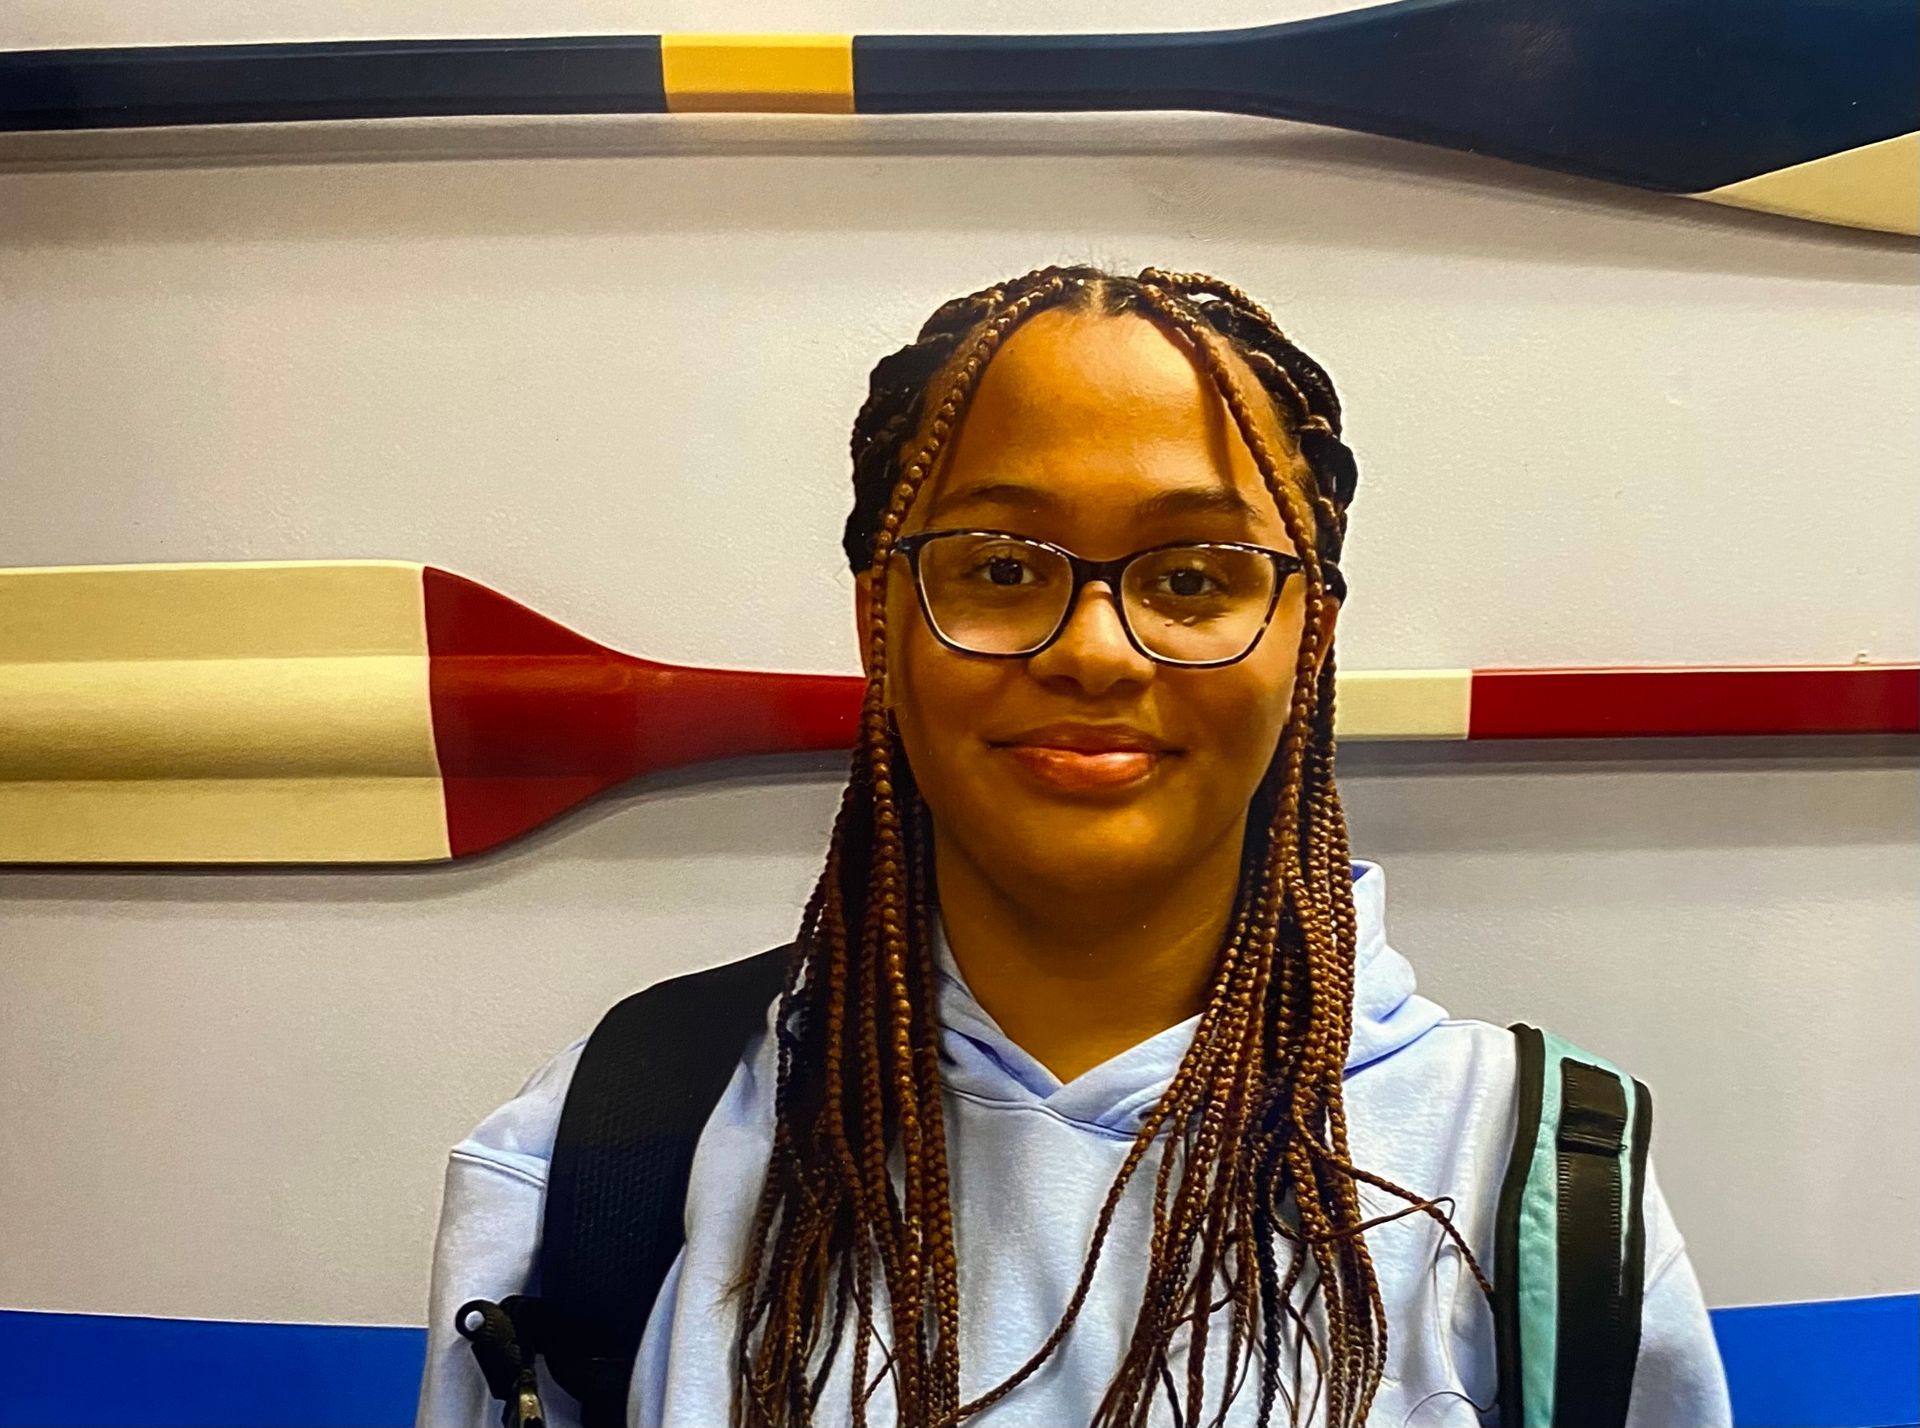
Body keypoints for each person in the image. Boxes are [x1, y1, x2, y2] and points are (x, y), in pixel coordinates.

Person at [416, 265, 1732, 1427]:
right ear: (882, 620)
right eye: (1001, 568)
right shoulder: (607, 1151)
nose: (1094, 647)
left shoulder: (1527, 1186)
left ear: (1308, 638)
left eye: (1191, 575)